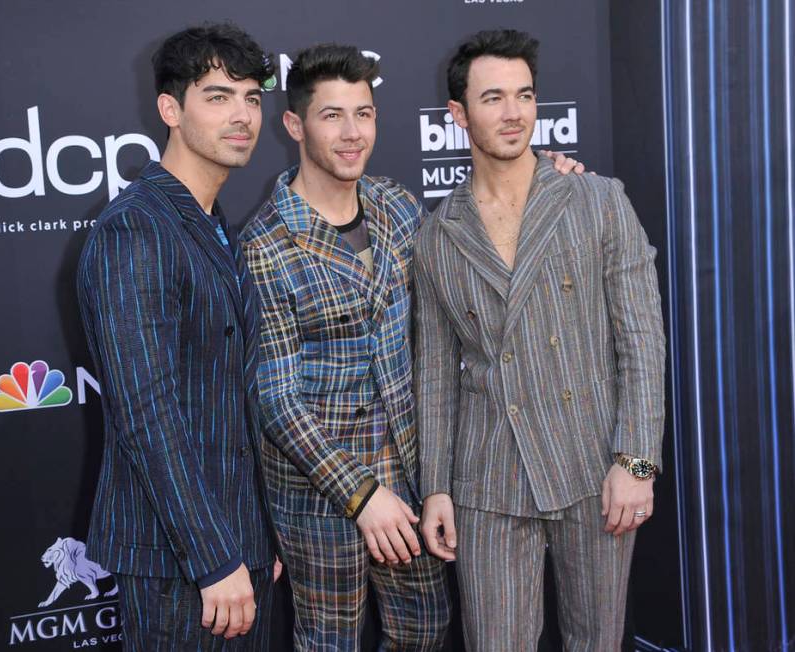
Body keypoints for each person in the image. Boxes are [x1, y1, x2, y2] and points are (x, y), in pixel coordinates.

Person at [415, 29, 665, 651]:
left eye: (524, 96)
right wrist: (437, 487)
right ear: (458, 114)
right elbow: (438, 372)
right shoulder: (437, 235)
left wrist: (635, 461)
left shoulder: (598, 201)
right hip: (487, 481)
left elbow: (641, 338)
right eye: (493, 98)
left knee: (598, 643)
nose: (513, 113)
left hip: (592, 471)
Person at [239, 44, 451, 651]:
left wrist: (550, 182)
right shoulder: (266, 246)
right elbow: (276, 400)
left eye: (364, 113)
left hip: (411, 479)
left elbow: (474, 240)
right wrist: (361, 495)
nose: (353, 132)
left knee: (425, 636)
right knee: (329, 642)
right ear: (294, 125)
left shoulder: (399, 207)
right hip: (320, 495)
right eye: (332, 115)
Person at [76, 23, 280, 651]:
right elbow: (148, 413)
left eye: (251, 96)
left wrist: (256, 539)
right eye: (218, 96)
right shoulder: (135, 229)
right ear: (170, 109)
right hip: (181, 563)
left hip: (236, 548)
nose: (242, 114)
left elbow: (229, 400)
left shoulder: (213, 223)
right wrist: (215, 557)